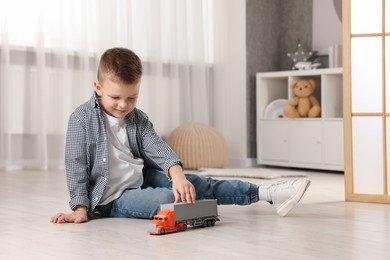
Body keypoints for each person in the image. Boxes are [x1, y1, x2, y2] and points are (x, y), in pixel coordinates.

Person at [51, 47, 311, 224]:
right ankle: (197, 210)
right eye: (115, 97)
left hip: (140, 178)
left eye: (132, 97)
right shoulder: (81, 118)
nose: (123, 105)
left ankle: (266, 193)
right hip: (112, 198)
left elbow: (155, 145)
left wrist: (176, 174)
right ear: (98, 87)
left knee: (193, 184)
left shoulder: (137, 117)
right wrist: (80, 208)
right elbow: (76, 165)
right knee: (168, 199)